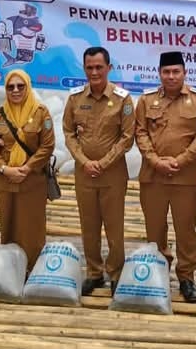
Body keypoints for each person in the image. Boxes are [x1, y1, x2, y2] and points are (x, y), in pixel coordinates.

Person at [134, 50, 196, 304]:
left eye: (175, 71)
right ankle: (157, 273)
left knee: (185, 229)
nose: (171, 76)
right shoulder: (145, 100)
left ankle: (186, 278)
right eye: (166, 72)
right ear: (159, 73)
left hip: (185, 178)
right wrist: (156, 161)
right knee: (155, 228)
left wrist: (181, 160)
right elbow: (140, 132)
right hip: (153, 177)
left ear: (184, 73)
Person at [62, 47, 135, 296]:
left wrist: (103, 163)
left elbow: (127, 137)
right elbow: (69, 133)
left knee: (114, 227)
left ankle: (115, 273)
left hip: (112, 175)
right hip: (84, 174)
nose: (94, 72)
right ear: (84, 69)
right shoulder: (75, 98)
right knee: (89, 226)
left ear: (108, 68)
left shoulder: (123, 99)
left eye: (99, 67)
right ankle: (94, 273)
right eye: (89, 67)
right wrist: (84, 161)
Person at [0, 68, 55, 273]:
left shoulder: (41, 113)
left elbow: (47, 146)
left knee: (32, 228)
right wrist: (5, 169)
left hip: (32, 181)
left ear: (28, 87)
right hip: (5, 181)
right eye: (10, 87)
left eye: (20, 86)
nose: (15, 90)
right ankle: (10, 270)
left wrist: (27, 168)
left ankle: (32, 269)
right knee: (8, 226)